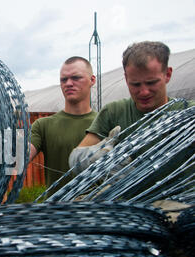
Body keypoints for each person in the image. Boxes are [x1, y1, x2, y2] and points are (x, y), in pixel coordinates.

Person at [69, 41, 194, 171]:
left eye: (151, 83)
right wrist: (93, 160)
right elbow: (76, 158)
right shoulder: (114, 112)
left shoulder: (188, 112)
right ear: (126, 78)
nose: (144, 92)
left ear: (167, 74)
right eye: (135, 84)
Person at [29, 56, 97, 195]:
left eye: (76, 78)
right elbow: (16, 162)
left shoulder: (105, 123)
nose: (69, 83)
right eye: (63, 79)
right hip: (57, 213)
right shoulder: (43, 125)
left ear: (92, 80)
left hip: (96, 211)